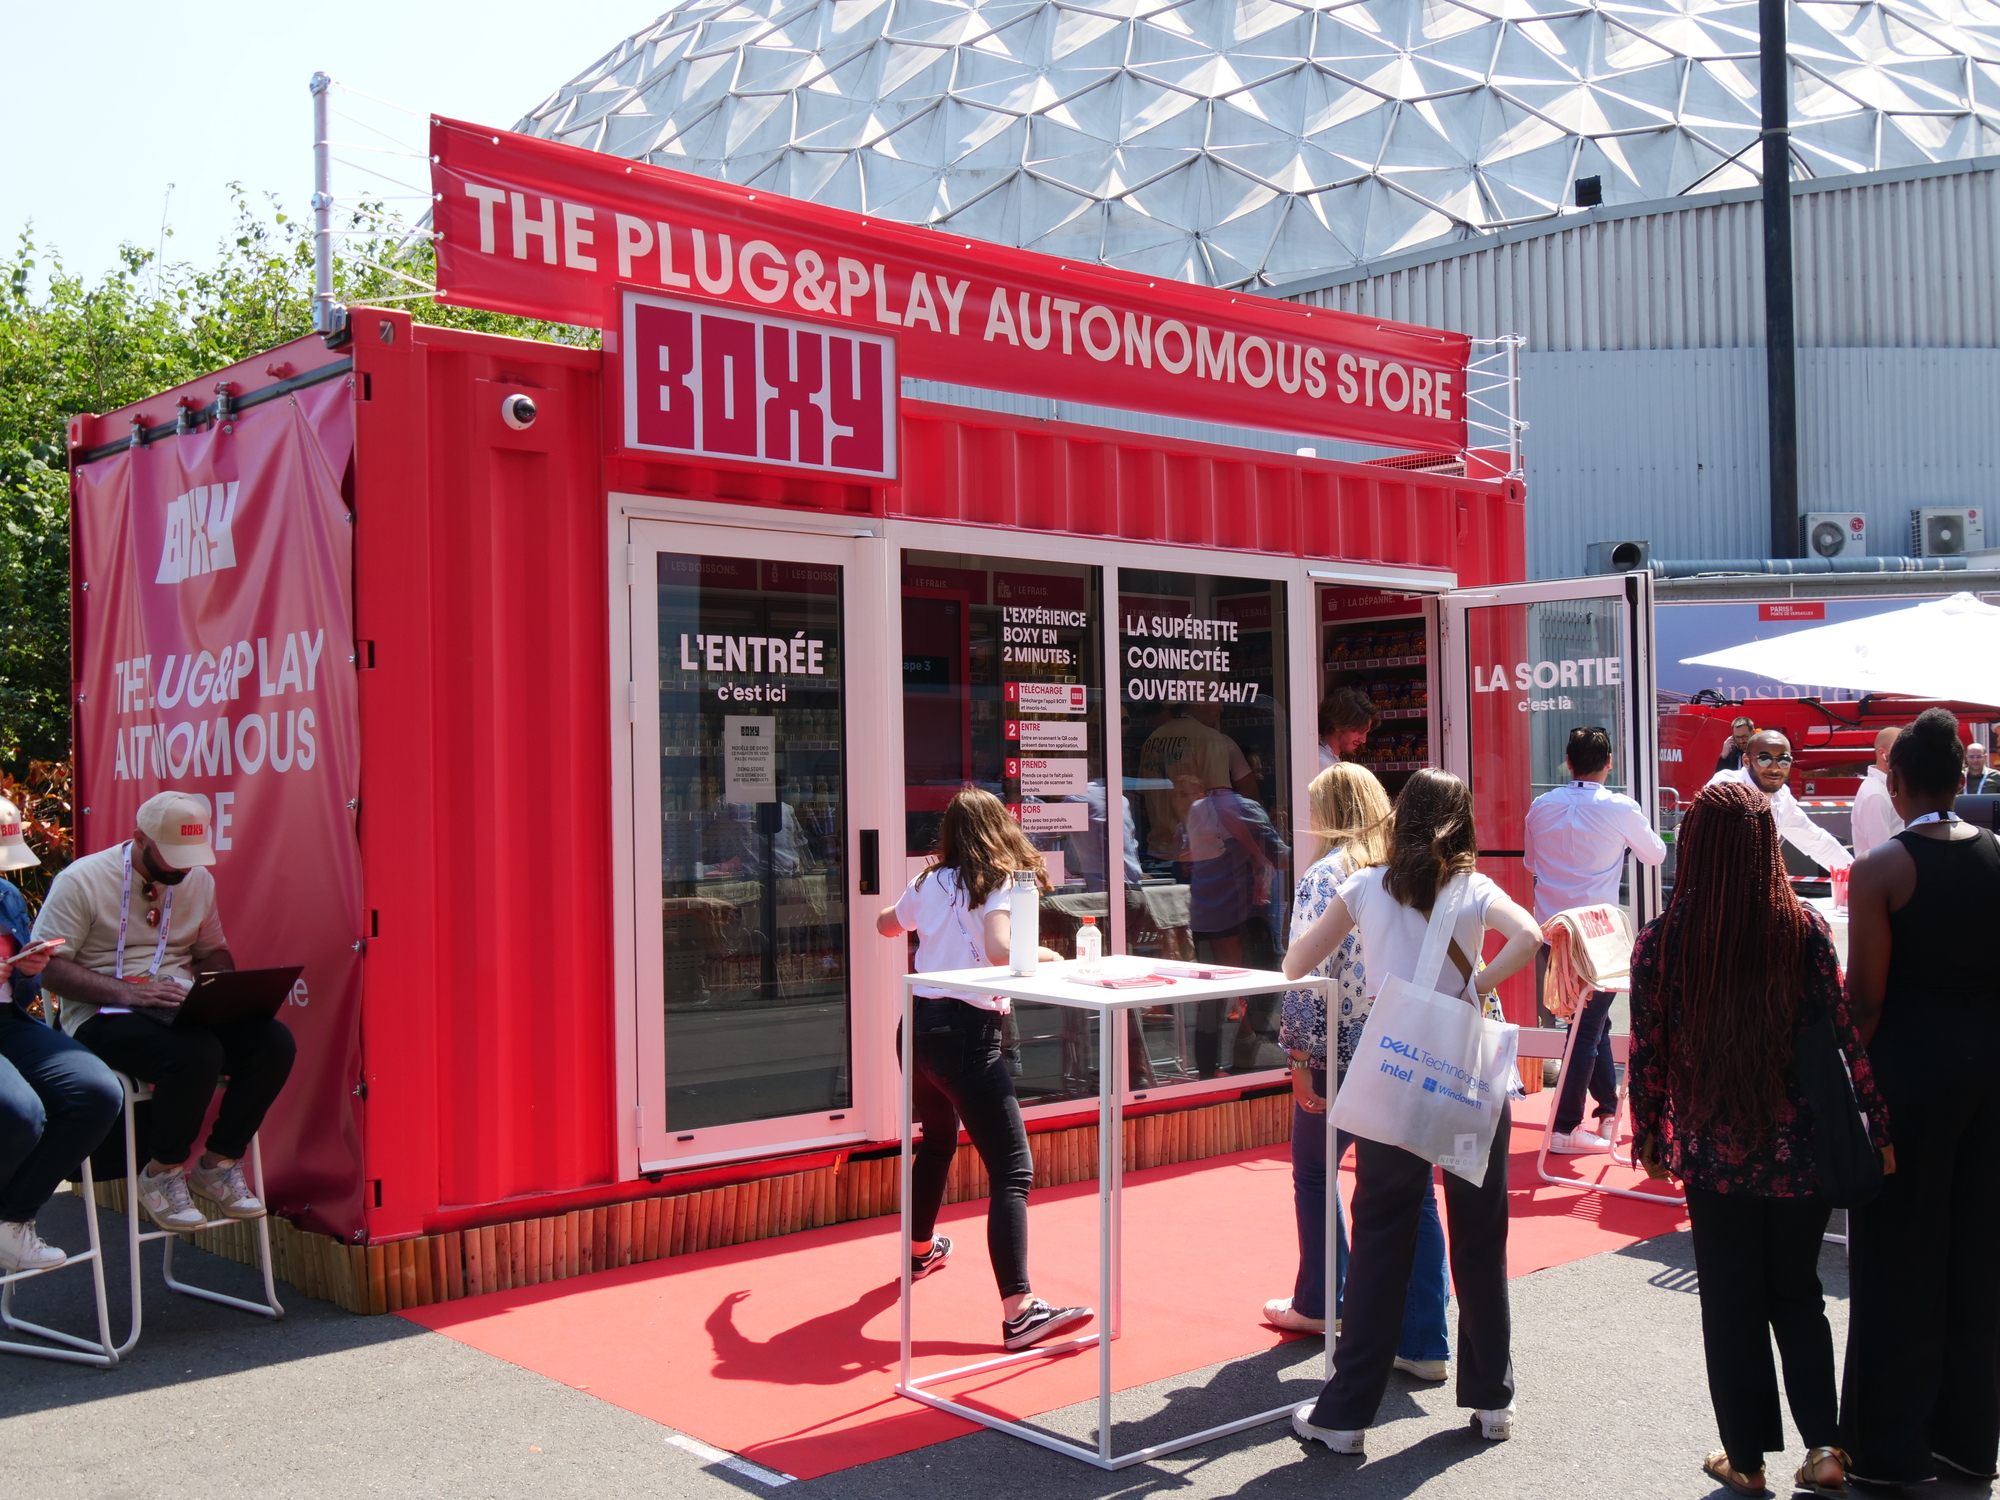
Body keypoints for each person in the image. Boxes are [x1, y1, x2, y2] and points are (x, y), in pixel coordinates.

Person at [1628, 780, 1887, 1499]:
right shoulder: (1801, 929)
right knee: (1797, 1293)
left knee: (1731, 1303)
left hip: (1714, 1149)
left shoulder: (1664, 939)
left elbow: (1648, 1049)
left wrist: (1649, 1130)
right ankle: (1826, 1448)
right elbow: (1843, 1035)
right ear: (1767, 846)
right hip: (1799, 1148)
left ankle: (1745, 1459)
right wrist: (1878, 1120)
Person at [1281, 769, 1542, 1454]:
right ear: (1463, 825)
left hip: (1393, 1069)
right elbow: (1531, 937)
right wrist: (1476, 986)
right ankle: (1492, 1398)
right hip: (1464, 1071)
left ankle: (1346, 1416)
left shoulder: (1365, 886)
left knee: (1380, 1240)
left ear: (1400, 818)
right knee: (1481, 1236)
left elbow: (1296, 963)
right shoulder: (1475, 890)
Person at [1841, 709, 2000, 1486]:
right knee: (1975, 1253)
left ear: (1895, 783)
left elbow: (1864, 1002)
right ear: (1964, 778)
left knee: (1899, 1256)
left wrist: (1843, 1083)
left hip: (1910, 1078)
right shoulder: (1997, 854)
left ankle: (1891, 1447)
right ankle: (1969, 1440)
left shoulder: (1881, 868)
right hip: (1986, 1073)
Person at [876, 788, 1093, 1352]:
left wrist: (915, 907)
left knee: (938, 1143)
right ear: (999, 829)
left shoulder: (930, 880)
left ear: (948, 833)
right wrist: (1050, 956)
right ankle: (1019, 1311)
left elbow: (885, 926)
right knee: (1012, 1171)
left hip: (917, 1027)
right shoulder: (995, 878)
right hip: (967, 1034)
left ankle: (920, 1251)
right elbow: (1002, 950)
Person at [1265, 764, 1453, 1390]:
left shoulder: (1330, 876)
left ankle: (1323, 1301)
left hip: (1339, 1054)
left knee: (1316, 1177)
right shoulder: (1414, 872)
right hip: (1404, 1048)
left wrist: (1299, 1060)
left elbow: (1303, 976)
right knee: (1414, 1192)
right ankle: (1425, 1338)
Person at [33, 791, 295, 1232]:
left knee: (272, 1042)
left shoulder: (198, 881)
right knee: (195, 1054)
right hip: (100, 1013)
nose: (181, 867)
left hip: (176, 1004)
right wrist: (129, 994)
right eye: (171, 856)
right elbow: (47, 968)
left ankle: (218, 1163)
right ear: (139, 839)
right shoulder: (82, 880)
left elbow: (212, 951)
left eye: (190, 856)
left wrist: (216, 990)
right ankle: (162, 1173)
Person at [1523, 726, 1667, 1153]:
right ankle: (1566, 1127)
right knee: (1586, 1027)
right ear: (1609, 763)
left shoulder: (1541, 805)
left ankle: (1606, 1112)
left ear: (1568, 762)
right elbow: (1656, 854)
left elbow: (1532, 862)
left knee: (1589, 1023)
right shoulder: (1619, 807)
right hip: (1596, 932)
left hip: (1553, 929)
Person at [0, 800, 121, 1273]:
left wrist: (30, 968)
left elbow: (26, 990)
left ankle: (11, 1222)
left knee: (96, 1092)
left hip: (9, 1021)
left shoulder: (7, 894)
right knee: (20, 1112)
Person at [1708, 730, 1852, 873]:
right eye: (1764, 759)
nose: (1775, 768)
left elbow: (1816, 842)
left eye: (1784, 760)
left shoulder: (1782, 797)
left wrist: (1856, 877)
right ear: (1746, 761)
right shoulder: (1726, 785)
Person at [1850, 726, 1904, 858]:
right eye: (1903, 752)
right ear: (1883, 754)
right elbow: (1882, 852)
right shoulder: (1876, 794)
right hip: (1888, 875)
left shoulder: (1882, 789)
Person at [1317, 687, 1381, 771]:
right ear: (1338, 724)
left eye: (1366, 733)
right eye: (1359, 732)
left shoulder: (1328, 758)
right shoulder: (1321, 762)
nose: (1363, 740)